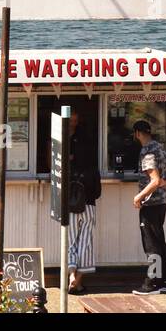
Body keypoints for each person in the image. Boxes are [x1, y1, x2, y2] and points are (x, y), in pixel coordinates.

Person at [131, 119, 166, 294]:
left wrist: (139, 196)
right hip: (162, 202)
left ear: (137, 133)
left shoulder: (147, 151)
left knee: (151, 245)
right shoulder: (160, 148)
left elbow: (155, 180)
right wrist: (162, 183)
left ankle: (152, 284)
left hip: (151, 204)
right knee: (159, 242)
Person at [66, 112, 101, 294]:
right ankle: (77, 281)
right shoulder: (93, 168)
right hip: (89, 205)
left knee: (71, 242)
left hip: (72, 206)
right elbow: (98, 192)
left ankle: (72, 275)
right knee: (85, 243)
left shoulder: (70, 171)